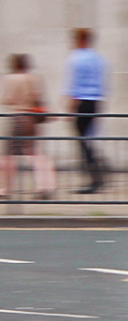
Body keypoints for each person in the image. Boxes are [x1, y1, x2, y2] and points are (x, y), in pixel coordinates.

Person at [1, 54, 57, 199]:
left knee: (8, 155)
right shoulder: (34, 78)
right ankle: (45, 186)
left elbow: (8, 99)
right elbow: (38, 97)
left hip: (17, 117)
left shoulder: (11, 78)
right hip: (31, 118)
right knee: (35, 153)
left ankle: (5, 188)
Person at [64, 28, 108, 194]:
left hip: (82, 102)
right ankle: (98, 171)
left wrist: (70, 107)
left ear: (80, 40)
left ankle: (95, 177)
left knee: (83, 141)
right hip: (95, 101)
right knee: (88, 139)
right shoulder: (98, 59)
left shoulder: (76, 58)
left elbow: (74, 84)